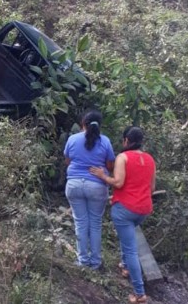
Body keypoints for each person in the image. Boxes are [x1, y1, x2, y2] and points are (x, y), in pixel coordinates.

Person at [90, 126, 156, 304]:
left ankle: (139, 294)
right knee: (128, 239)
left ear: (126, 140)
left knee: (130, 249)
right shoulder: (150, 159)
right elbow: (152, 188)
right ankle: (125, 266)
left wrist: (103, 175)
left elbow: (118, 182)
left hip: (125, 209)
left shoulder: (123, 157)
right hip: (143, 209)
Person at [64, 110, 115, 269]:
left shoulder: (72, 139)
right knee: (95, 223)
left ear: (83, 124)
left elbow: (67, 161)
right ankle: (95, 262)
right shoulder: (105, 141)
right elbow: (110, 165)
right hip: (97, 186)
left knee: (80, 223)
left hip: (74, 185)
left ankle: (82, 261)